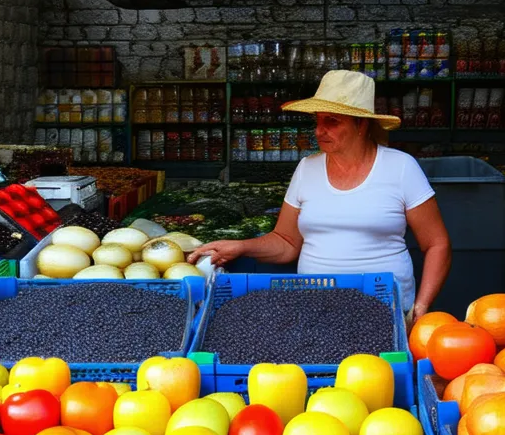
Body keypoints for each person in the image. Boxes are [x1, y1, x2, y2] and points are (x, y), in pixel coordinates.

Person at [189, 70, 451, 323]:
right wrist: (241, 246)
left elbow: (437, 244)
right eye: (318, 120)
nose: (319, 130)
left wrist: (422, 305)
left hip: (384, 307)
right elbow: (286, 242)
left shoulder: (401, 167)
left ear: (361, 124)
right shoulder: (307, 168)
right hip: (314, 305)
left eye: (332, 121)